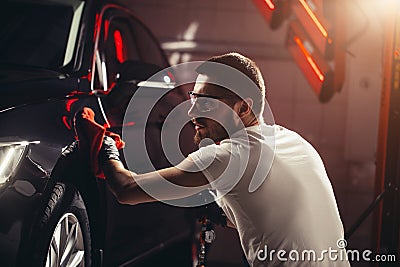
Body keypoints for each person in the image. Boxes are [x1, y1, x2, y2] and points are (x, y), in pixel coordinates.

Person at [98, 52, 350, 266]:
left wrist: (104, 144)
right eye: (194, 98)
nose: (191, 111)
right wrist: (220, 213)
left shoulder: (225, 156)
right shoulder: (295, 142)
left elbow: (126, 189)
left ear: (243, 107)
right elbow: (269, 217)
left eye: (206, 103)